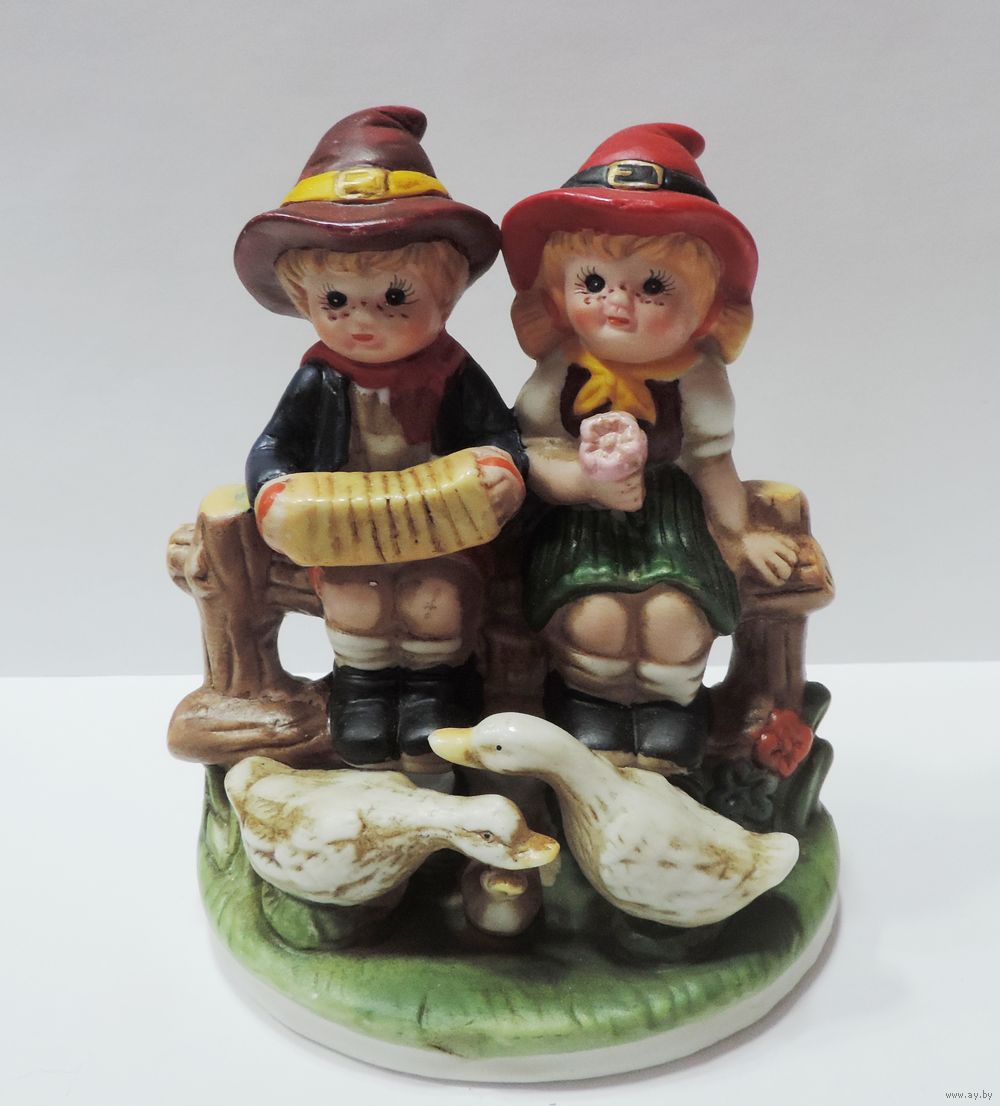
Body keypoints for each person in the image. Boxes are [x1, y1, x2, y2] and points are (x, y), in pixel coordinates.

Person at [235, 106, 526, 772]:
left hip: (441, 530)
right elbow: (275, 446)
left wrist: (501, 469)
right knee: (356, 600)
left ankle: (433, 688)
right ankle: (364, 689)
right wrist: (273, 491)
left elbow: (497, 432)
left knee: (434, 602)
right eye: (336, 301)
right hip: (345, 530)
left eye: (394, 297)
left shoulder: (452, 371)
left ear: (444, 294)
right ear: (306, 302)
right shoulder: (318, 378)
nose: (362, 320)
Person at [501, 121, 798, 772]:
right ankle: (591, 706)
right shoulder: (559, 373)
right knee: (594, 618)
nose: (617, 304)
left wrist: (739, 537)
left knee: (674, 619)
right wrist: (583, 481)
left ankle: (669, 710)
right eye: (593, 283)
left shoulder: (697, 380)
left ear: (706, 306)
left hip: (671, 518)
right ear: (557, 292)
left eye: (653, 287)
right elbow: (533, 454)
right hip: (583, 521)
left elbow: (712, 463)